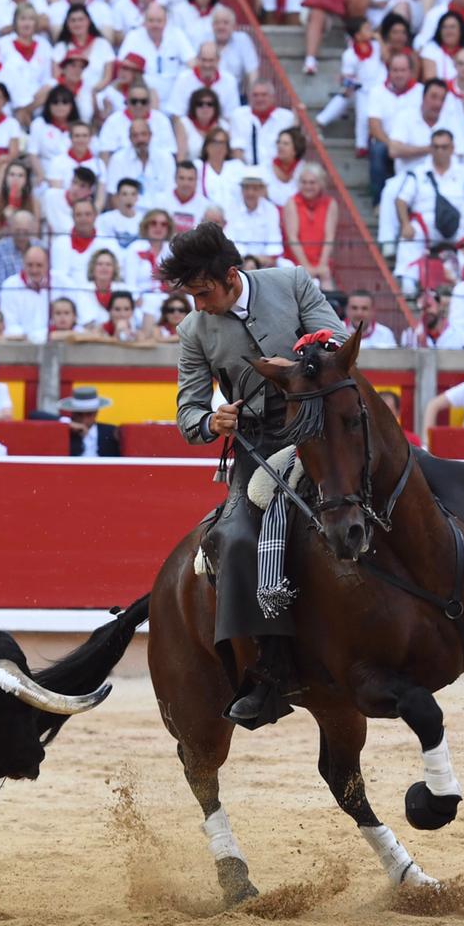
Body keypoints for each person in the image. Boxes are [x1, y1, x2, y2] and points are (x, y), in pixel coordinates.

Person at [158, 221, 345, 729]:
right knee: (235, 540)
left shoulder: (292, 283)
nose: (199, 305)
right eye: (191, 296)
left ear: (230, 276)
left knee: (402, 487)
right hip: (258, 447)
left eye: (204, 292)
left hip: (324, 430)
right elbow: (188, 415)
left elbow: (341, 343)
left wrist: (301, 364)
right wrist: (211, 421)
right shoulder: (193, 331)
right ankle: (267, 671)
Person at [58, 385, 120, 458]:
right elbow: (45, 417)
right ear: (73, 413)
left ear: (96, 413)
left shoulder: (110, 432)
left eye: (89, 414)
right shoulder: (65, 431)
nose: (84, 419)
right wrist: (66, 423)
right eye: (79, 414)